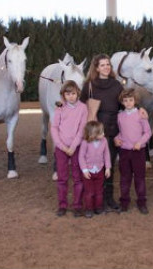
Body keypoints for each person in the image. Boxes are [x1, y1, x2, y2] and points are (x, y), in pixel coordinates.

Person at [79, 54, 125, 212]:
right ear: (96, 68)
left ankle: (108, 198)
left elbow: (125, 104)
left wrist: (140, 110)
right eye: (103, 65)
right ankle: (94, 198)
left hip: (113, 128)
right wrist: (61, 106)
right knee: (94, 164)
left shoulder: (117, 85)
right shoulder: (89, 85)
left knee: (109, 165)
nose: (106, 67)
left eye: (108, 64)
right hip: (95, 131)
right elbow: (79, 106)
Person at [50, 80, 87, 217]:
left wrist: (73, 146)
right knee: (62, 177)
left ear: (78, 93)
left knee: (78, 177)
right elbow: (54, 128)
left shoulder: (83, 108)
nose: (71, 96)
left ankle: (77, 205)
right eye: (67, 94)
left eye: (73, 93)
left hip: (76, 147)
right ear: (63, 95)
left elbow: (82, 128)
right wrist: (62, 146)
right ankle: (62, 205)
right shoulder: (60, 108)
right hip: (61, 148)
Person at [114, 88, 152, 214]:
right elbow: (120, 132)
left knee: (139, 178)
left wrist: (140, 143)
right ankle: (124, 202)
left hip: (138, 152)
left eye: (131, 100)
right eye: (125, 101)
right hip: (124, 151)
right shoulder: (120, 116)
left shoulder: (140, 115)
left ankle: (142, 202)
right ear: (122, 102)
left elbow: (148, 132)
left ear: (135, 101)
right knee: (125, 178)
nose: (128, 103)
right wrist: (117, 139)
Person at [78, 121, 112, 219]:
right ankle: (89, 209)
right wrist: (84, 170)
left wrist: (108, 168)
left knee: (99, 191)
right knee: (89, 192)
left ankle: (98, 207)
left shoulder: (104, 141)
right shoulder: (85, 143)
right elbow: (81, 157)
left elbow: (106, 154)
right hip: (88, 172)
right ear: (93, 134)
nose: (104, 134)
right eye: (101, 133)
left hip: (100, 170)